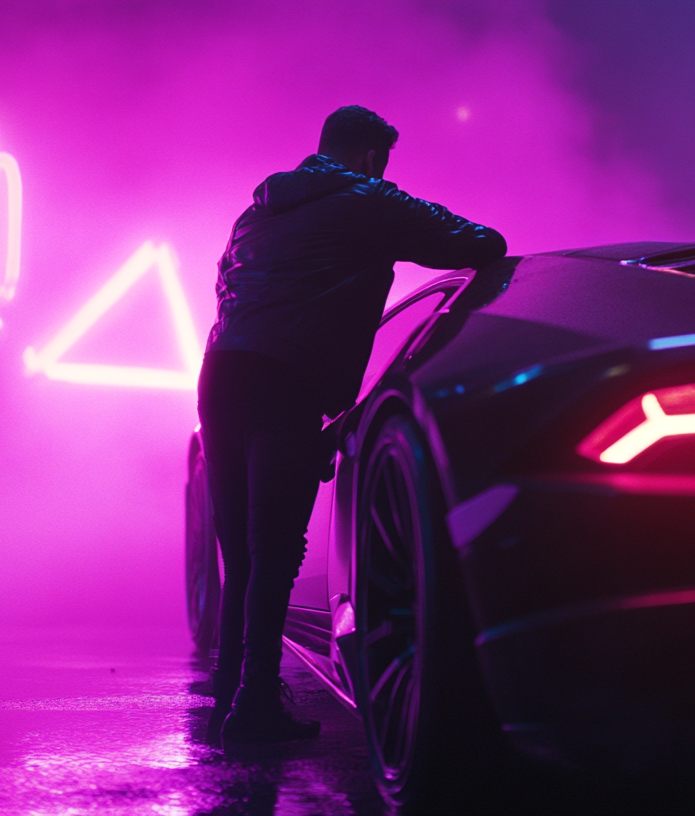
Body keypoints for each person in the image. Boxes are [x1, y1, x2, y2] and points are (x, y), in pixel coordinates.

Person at [198, 105, 506, 745]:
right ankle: (255, 708)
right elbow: (480, 244)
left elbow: (225, 289)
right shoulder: (370, 199)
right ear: (371, 156)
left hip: (221, 374)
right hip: (285, 377)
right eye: (384, 160)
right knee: (275, 547)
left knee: (239, 553)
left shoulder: (256, 211)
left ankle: (231, 698)